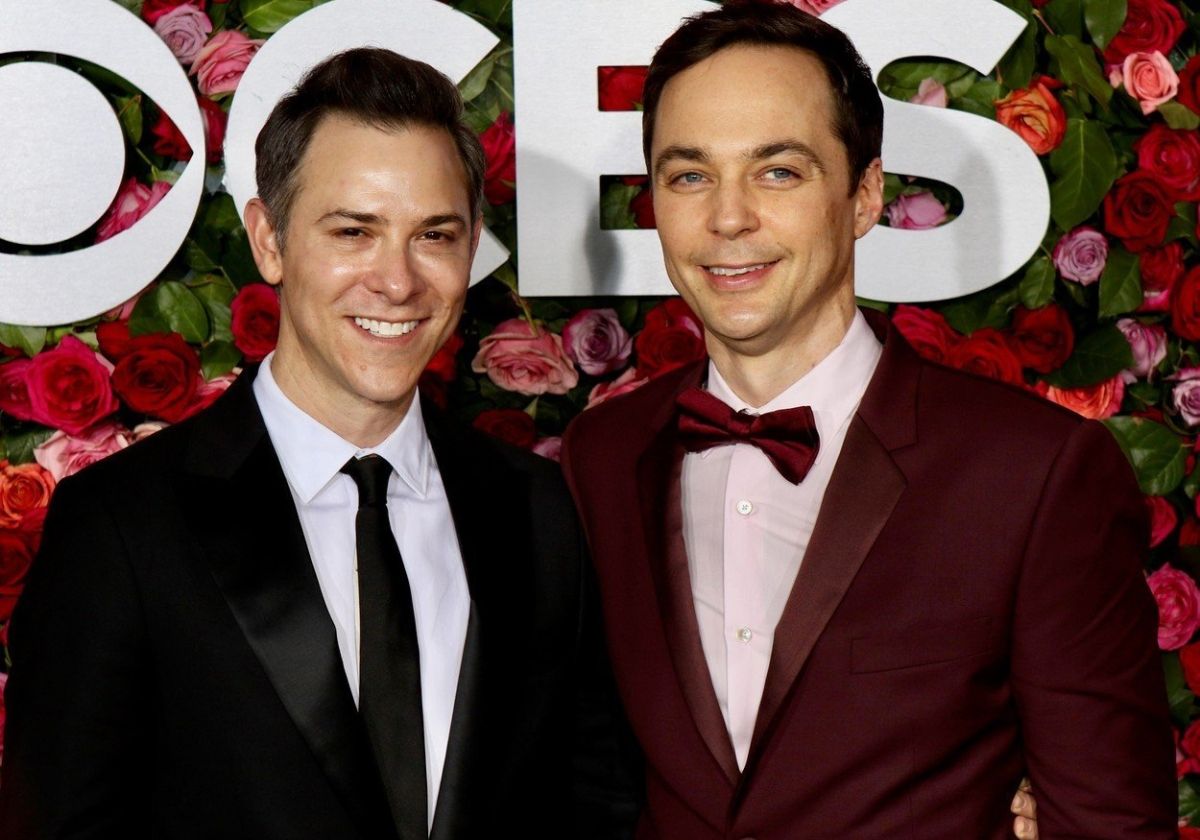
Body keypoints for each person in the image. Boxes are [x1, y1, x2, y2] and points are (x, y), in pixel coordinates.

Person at [560, 3, 1176, 838]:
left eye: (779, 172)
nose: (728, 218)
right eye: (689, 176)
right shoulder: (603, 456)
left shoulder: (1032, 473)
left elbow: (1110, 822)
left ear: (865, 195)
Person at [0, 48, 628, 839]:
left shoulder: (535, 510)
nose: (397, 281)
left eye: (433, 234)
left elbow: (590, 802)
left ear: (472, 247)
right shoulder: (122, 524)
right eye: (354, 231)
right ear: (269, 239)